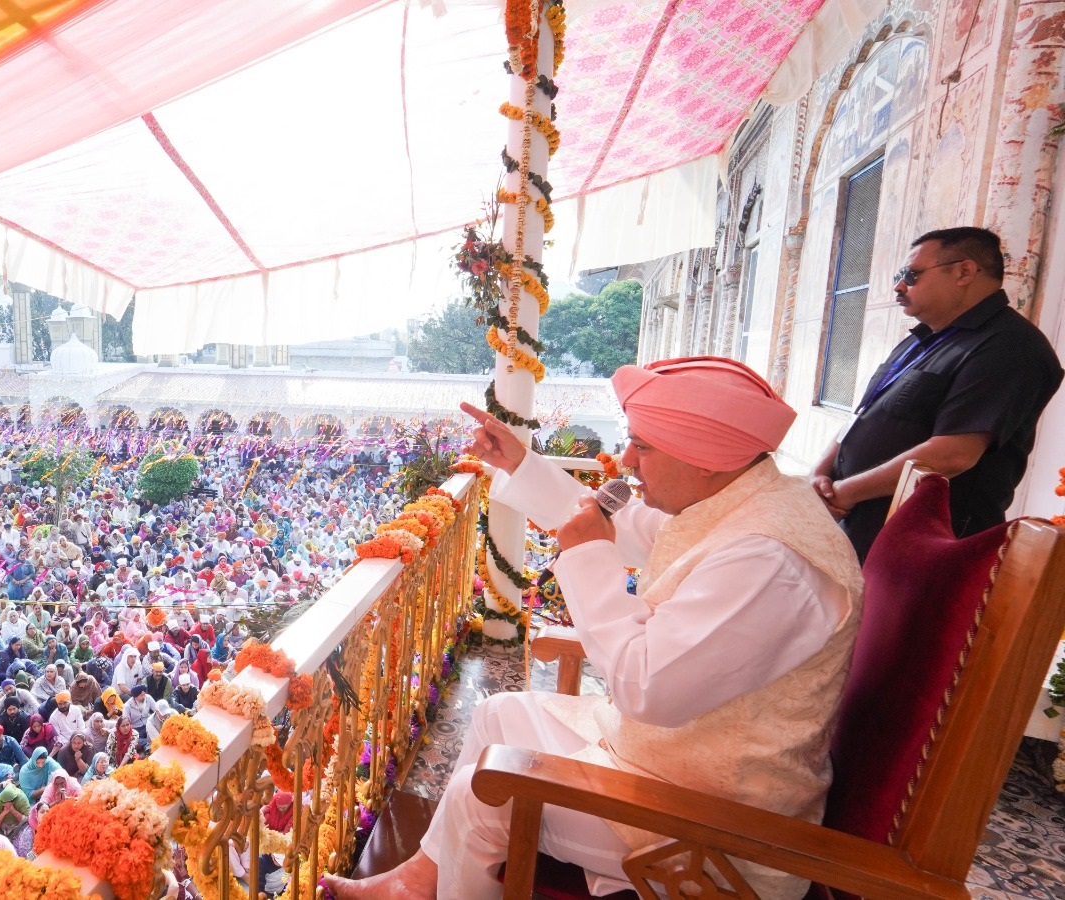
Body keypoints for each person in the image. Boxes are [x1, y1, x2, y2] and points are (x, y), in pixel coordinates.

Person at [328, 360, 865, 900]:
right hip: (682, 764)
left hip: (723, 822)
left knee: (481, 793)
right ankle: (419, 883)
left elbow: (645, 686)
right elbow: (623, 527)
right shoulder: (737, 502)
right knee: (499, 715)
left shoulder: (770, 559)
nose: (627, 462)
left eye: (643, 447)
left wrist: (585, 555)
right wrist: (521, 463)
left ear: (705, 458)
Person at [812, 227, 1063, 559]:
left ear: (964, 272)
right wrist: (822, 471)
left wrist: (845, 492)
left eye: (912, 275)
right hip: (862, 523)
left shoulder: (1011, 347)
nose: (899, 286)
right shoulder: (923, 338)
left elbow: (954, 454)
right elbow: (865, 414)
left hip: (923, 546)